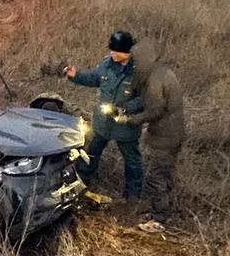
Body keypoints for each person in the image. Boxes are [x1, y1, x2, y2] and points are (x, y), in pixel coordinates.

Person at [60, 31, 143, 201]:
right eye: (111, 51)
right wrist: (76, 76)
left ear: (126, 52)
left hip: (125, 126)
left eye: (115, 51)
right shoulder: (108, 64)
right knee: (90, 153)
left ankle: (133, 196)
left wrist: (123, 109)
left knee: (132, 160)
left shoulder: (139, 71)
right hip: (102, 123)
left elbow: (145, 99)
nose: (112, 54)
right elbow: (94, 78)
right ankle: (82, 183)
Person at [113, 40, 185, 223]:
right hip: (175, 134)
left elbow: (155, 110)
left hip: (164, 137)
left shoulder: (154, 80)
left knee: (155, 177)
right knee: (166, 173)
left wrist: (129, 120)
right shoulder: (164, 73)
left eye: (135, 62)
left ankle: (159, 218)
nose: (133, 66)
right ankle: (168, 210)